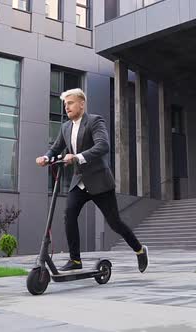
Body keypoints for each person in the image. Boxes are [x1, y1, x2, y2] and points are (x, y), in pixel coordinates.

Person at [36, 88, 148, 273]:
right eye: (65, 104)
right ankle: (75, 260)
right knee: (69, 215)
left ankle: (139, 249)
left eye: (70, 103)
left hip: (99, 181)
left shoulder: (95, 121)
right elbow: (55, 148)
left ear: (82, 103)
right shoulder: (65, 127)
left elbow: (103, 145)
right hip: (79, 181)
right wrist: (46, 157)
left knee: (114, 222)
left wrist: (77, 157)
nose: (67, 107)